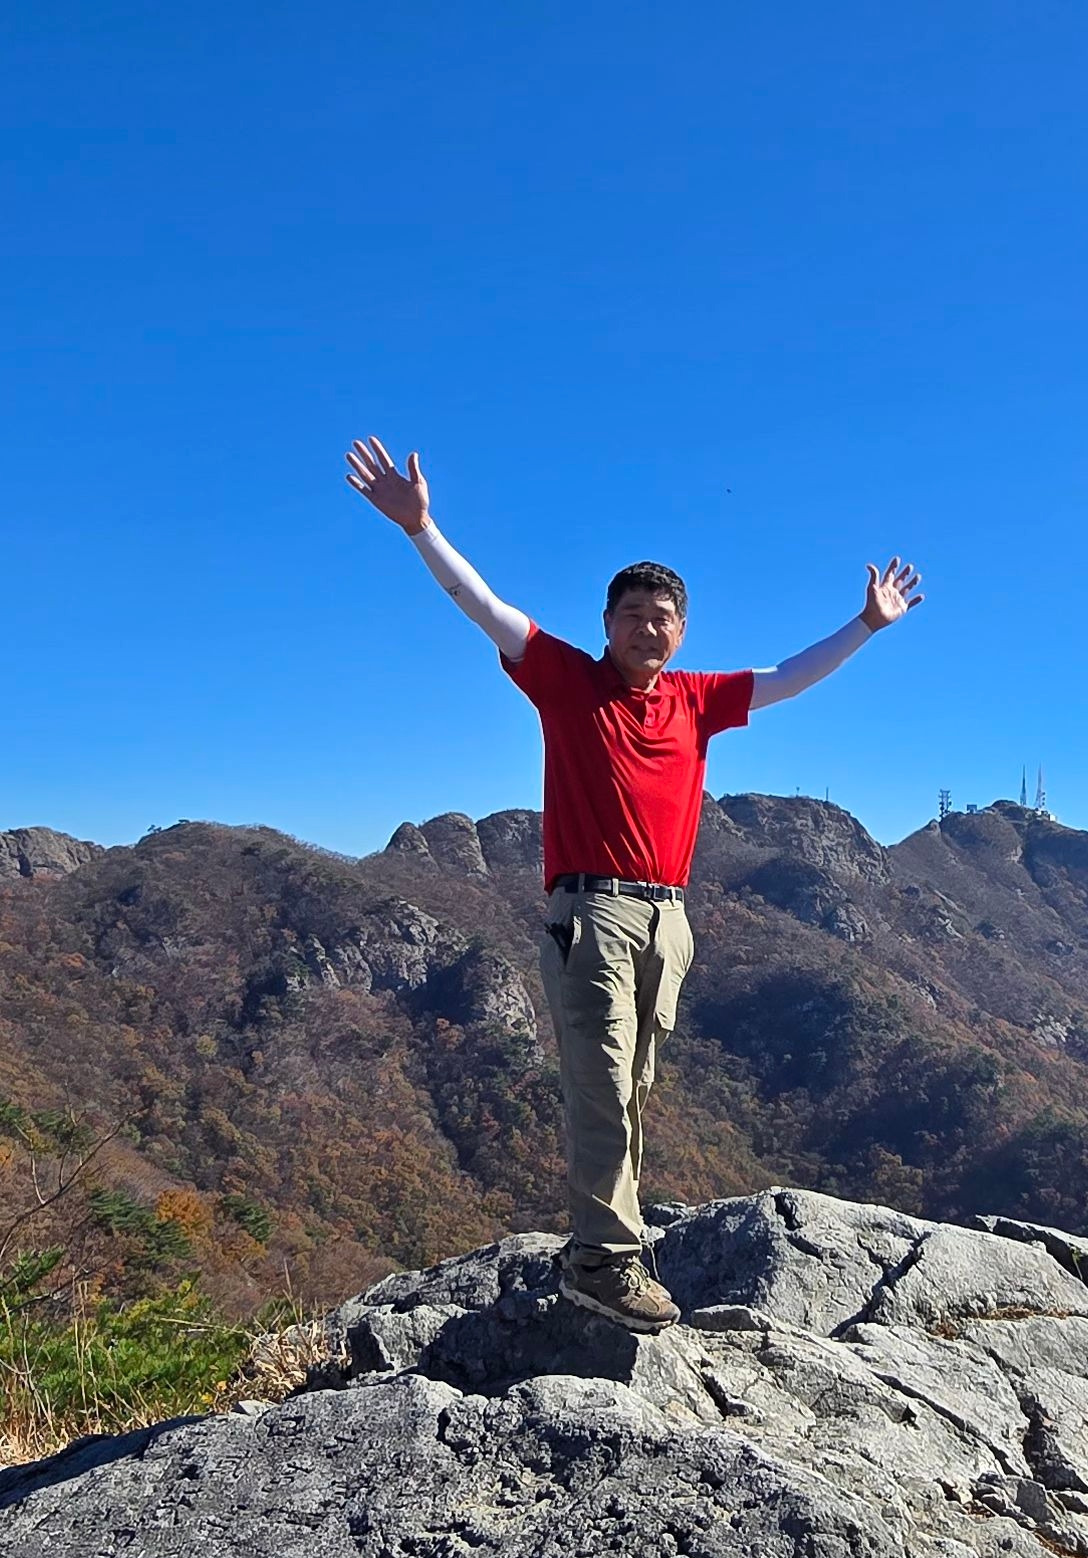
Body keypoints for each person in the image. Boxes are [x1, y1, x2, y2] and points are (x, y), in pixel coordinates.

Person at [345, 435, 926, 1330]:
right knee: (602, 1082)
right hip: (593, 913)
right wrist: (422, 528)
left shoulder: (695, 700)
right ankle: (602, 1260)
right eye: (632, 614)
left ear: (681, 632)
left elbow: (789, 678)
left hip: (669, 922)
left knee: (633, 1084)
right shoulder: (566, 681)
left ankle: (610, 1242)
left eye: (663, 617)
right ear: (606, 623)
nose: (648, 628)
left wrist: (866, 626)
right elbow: (483, 605)